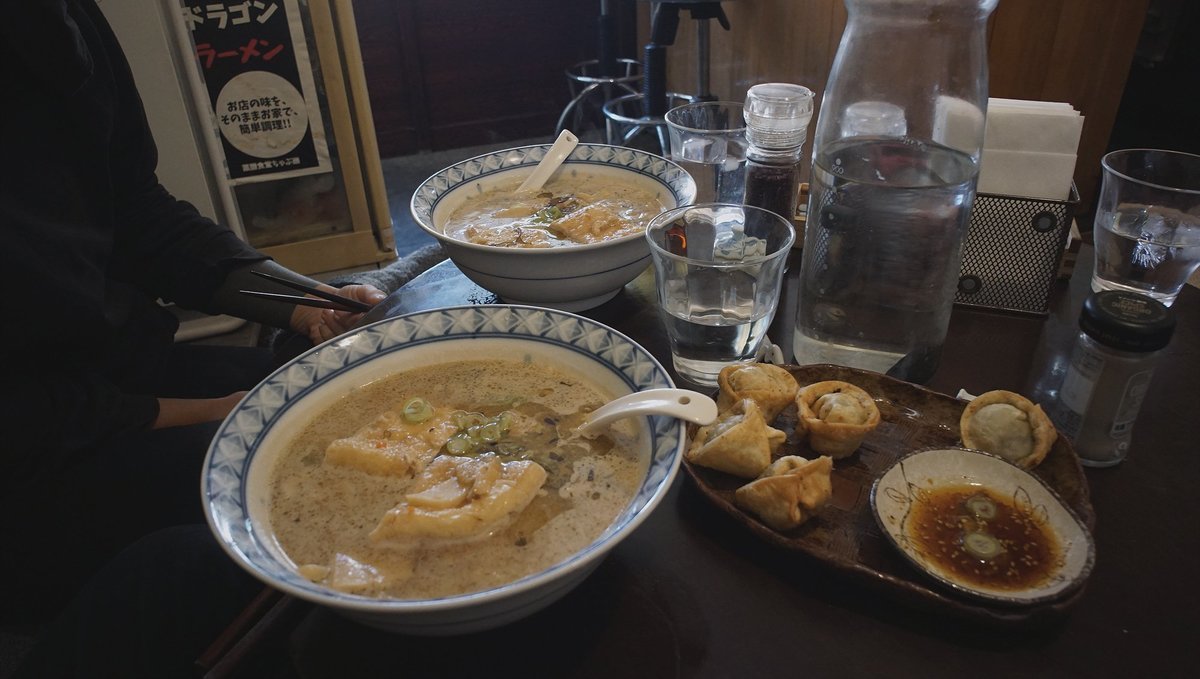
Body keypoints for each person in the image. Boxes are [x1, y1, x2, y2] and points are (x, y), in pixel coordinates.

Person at [0, 0, 385, 646]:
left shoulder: (64, 21)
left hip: (122, 366)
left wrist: (311, 303)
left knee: (346, 389)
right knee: (305, 487)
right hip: (36, 455)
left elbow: (138, 211)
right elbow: (25, 414)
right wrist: (216, 412)